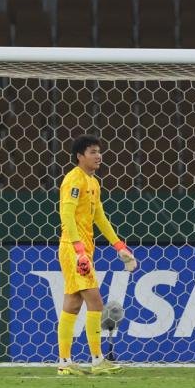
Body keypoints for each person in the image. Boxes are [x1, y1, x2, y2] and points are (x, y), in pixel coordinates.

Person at [57, 135, 138, 375]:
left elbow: (99, 217)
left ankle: (64, 362)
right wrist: (79, 249)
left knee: (73, 304)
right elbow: (66, 215)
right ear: (79, 156)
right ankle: (97, 359)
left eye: (99, 151)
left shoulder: (93, 182)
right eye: (92, 152)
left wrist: (119, 246)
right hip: (74, 249)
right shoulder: (74, 180)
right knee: (96, 302)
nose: (98, 156)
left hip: (81, 250)